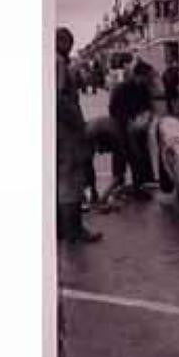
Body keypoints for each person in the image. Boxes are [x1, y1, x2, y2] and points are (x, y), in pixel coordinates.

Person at [56, 27, 102, 249]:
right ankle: (73, 231)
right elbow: (59, 99)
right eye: (69, 43)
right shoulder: (58, 63)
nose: (70, 48)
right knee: (71, 178)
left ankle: (64, 229)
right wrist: (77, 123)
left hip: (58, 128)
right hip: (66, 130)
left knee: (62, 178)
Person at [109, 60, 155, 198]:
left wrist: (146, 117)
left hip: (138, 127)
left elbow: (148, 106)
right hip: (122, 126)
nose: (149, 79)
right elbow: (113, 108)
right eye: (147, 76)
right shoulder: (122, 88)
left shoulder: (144, 88)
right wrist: (128, 120)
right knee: (122, 155)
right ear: (139, 75)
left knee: (139, 156)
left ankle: (139, 185)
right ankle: (119, 184)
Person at [84, 115, 129, 208]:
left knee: (86, 163)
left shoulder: (118, 141)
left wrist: (105, 195)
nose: (100, 154)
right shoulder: (90, 136)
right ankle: (92, 191)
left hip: (94, 128)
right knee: (86, 163)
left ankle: (93, 191)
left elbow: (119, 173)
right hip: (93, 130)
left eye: (103, 151)